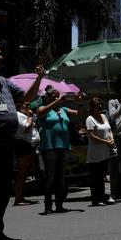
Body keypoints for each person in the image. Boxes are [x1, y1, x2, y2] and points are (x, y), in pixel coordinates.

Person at [0, 42, 43, 240]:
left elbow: (27, 98)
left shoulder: (3, 82)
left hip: (5, 145)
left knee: (3, 190)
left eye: (1, 54)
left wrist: (39, 79)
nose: (1, 57)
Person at [36, 87, 82, 215]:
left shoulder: (64, 110)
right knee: (50, 176)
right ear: (48, 97)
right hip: (49, 146)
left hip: (64, 146)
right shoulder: (43, 108)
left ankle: (59, 204)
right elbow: (41, 113)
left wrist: (79, 103)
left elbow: (80, 115)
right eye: (54, 96)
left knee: (61, 177)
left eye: (58, 96)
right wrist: (57, 101)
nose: (56, 98)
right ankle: (47, 205)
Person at [85, 97, 114, 207]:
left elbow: (109, 130)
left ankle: (102, 197)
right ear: (92, 107)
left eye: (101, 105)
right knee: (95, 177)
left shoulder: (103, 116)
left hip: (105, 151)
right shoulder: (90, 119)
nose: (100, 107)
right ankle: (96, 199)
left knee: (102, 176)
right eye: (98, 105)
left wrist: (112, 140)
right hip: (95, 152)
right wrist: (106, 142)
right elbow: (92, 136)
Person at [13, 101, 40, 206]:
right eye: (26, 105)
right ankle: (18, 199)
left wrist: (31, 116)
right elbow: (26, 127)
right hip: (23, 145)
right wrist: (29, 116)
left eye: (29, 105)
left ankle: (21, 197)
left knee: (25, 173)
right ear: (19, 106)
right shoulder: (18, 115)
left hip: (30, 145)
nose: (29, 107)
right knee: (22, 173)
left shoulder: (26, 115)